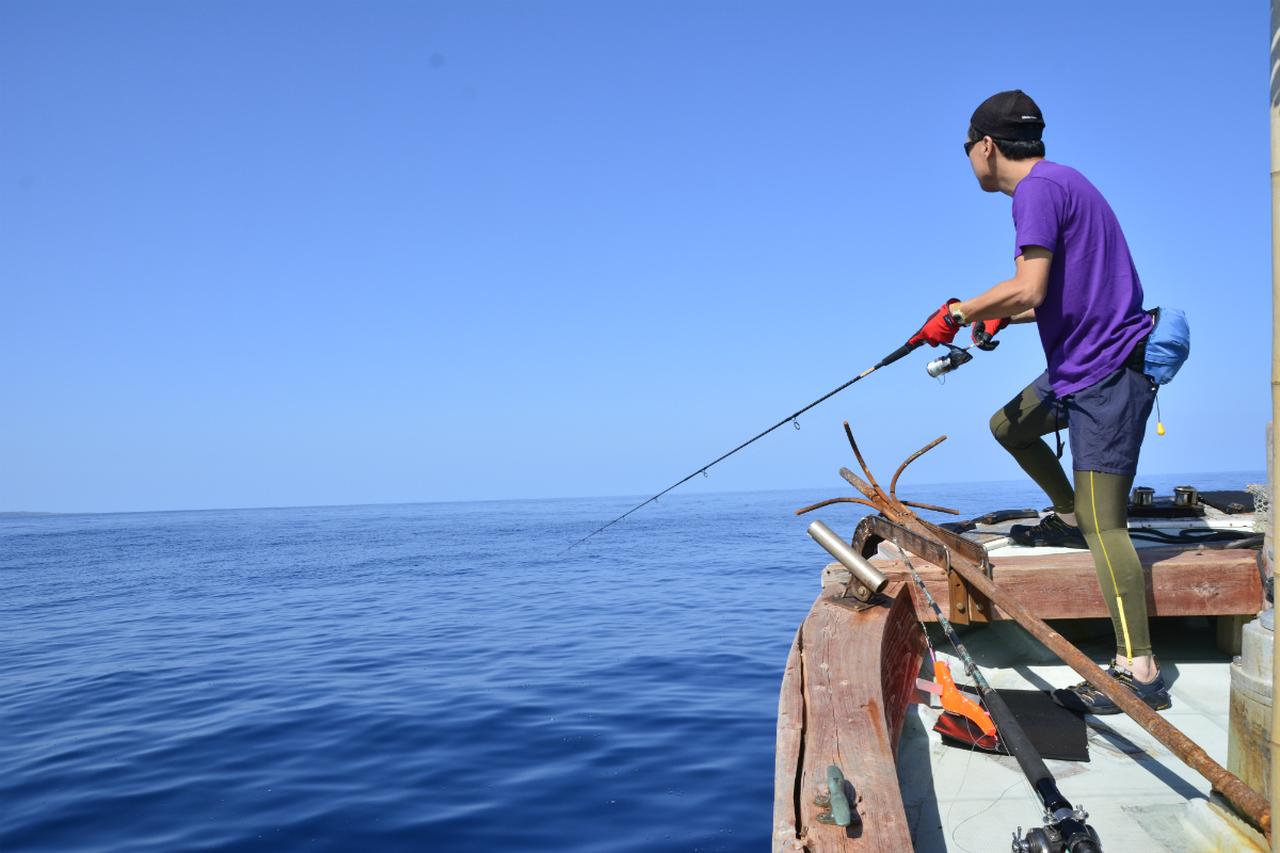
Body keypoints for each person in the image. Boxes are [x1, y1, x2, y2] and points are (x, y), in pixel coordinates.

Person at [907, 89, 1169, 714]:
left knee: (1109, 527)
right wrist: (1004, 320)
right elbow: (1053, 297)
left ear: (986, 146)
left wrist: (957, 312)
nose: (970, 159)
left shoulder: (1035, 193)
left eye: (968, 149)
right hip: (1080, 367)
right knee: (1009, 426)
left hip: (1104, 375)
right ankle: (1068, 511)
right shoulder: (1062, 182)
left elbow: (1028, 286)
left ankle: (1140, 671)